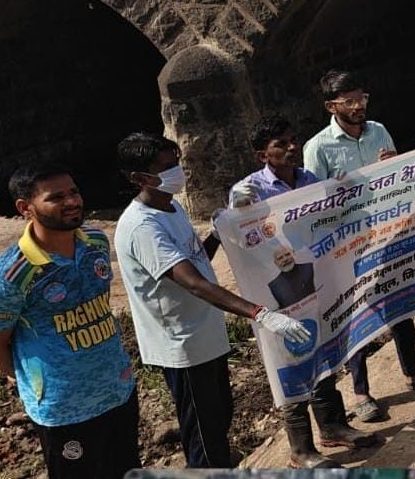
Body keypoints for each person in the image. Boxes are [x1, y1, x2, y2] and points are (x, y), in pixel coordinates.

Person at [112, 132, 312, 469]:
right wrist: (261, 313)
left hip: (207, 333)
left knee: (219, 418)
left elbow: (196, 259)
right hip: (184, 346)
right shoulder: (141, 227)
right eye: (165, 167)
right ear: (138, 178)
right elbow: (193, 283)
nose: (176, 172)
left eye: (176, 163)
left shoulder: (171, 207)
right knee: (204, 438)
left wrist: (219, 233)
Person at [233, 116, 381, 467]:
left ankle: (332, 426)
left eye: (292, 140)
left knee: (323, 350)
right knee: (291, 359)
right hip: (278, 289)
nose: (291, 148)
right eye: (281, 144)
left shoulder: (308, 180)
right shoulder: (249, 191)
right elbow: (240, 243)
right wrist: (237, 213)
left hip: (313, 278)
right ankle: (301, 450)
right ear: (262, 155)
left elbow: (326, 219)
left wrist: (340, 191)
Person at [301, 71, 415, 423]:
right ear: (331, 106)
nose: (358, 106)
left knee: (400, 301)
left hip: (387, 232)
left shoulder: (378, 130)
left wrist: (393, 165)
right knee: (357, 316)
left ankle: (413, 374)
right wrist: (335, 192)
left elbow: (398, 175)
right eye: (349, 101)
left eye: (361, 98)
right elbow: (312, 203)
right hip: (349, 244)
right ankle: (361, 393)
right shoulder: (318, 147)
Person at [0, 166, 140, 479]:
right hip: (65, 411)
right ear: (25, 208)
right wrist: (33, 381)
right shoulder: (11, 277)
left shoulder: (95, 242)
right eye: (56, 197)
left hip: (118, 389)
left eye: (73, 192)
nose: (72, 202)